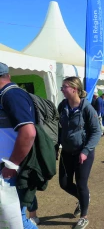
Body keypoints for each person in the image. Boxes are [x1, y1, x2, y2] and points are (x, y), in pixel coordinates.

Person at [58, 77, 101, 229]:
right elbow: (60, 128)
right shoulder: (62, 106)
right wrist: (57, 145)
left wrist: (85, 150)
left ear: (74, 89)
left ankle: (84, 216)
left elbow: (97, 132)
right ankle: (84, 198)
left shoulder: (87, 108)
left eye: (64, 87)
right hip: (66, 152)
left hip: (83, 153)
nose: (61, 89)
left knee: (81, 184)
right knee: (64, 184)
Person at [0, 62, 39, 229]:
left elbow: (29, 132)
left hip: (11, 170)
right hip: (9, 168)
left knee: (17, 219)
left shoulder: (11, 95)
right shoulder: (7, 95)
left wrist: (12, 165)